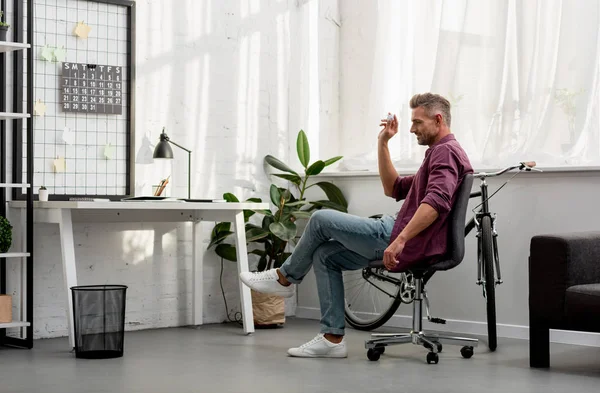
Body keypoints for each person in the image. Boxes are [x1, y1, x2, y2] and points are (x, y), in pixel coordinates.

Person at [240, 93, 473, 358]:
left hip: (396, 235)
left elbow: (436, 202)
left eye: (417, 122)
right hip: (394, 231)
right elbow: (393, 188)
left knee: (319, 219)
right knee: (325, 255)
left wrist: (400, 240)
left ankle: (284, 278)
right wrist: (383, 142)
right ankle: (331, 338)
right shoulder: (439, 154)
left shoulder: (445, 152)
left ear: (438, 119)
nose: (412, 128)